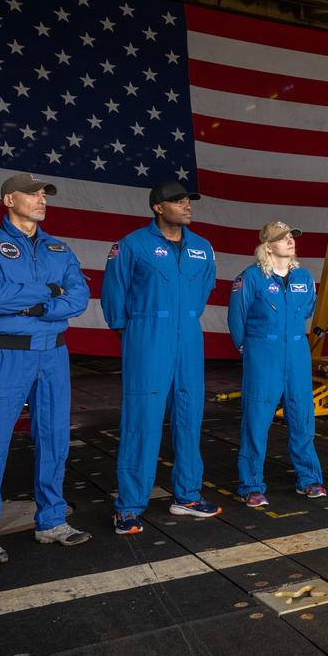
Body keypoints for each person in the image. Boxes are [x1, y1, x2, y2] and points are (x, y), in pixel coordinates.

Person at [0, 173, 92, 565]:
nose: (41, 199)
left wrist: (36, 305)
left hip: (53, 354)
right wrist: (51, 292)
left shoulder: (58, 248)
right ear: (7, 200)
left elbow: (80, 297)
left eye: (44, 194)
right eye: (32, 194)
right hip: (5, 355)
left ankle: (51, 520)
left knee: (54, 439)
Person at [101, 181, 220, 534]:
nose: (186, 206)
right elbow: (114, 294)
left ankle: (187, 495)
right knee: (142, 421)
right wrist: (136, 332)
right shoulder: (132, 245)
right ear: (158, 207)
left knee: (189, 415)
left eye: (188, 201)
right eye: (178, 201)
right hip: (147, 337)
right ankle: (129, 506)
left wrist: (183, 319)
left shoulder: (202, 248)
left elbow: (205, 288)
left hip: (189, 337)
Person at [228, 222, 326, 507]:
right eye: (282, 238)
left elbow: (308, 308)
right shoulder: (250, 278)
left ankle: (309, 480)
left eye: (292, 236)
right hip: (263, 353)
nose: (290, 241)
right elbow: (237, 319)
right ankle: (251, 485)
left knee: (302, 419)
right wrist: (249, 349)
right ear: (268, 246)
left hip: (296, 353)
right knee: (256, 422)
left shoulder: (304, 277)